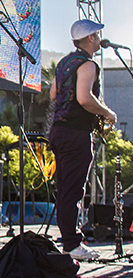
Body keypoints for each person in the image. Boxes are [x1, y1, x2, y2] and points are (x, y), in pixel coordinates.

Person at [49, 19, 117, 260]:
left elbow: (54, 93)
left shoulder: (64, 62)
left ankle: (69, 239)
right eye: (97, 35)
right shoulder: (88, 65)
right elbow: (84, 98)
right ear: (90, 39)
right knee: (73, 189)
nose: (99, 39)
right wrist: (108, 113)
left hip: (58, 131)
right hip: (75, 132)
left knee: (66, 188)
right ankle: (71, 244)